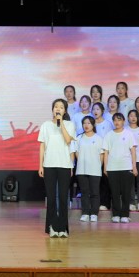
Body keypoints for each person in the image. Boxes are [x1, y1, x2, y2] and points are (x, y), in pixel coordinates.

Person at [38, 98, 75, 238]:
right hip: (49, 165)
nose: (58, 109)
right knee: (51, 197)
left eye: (61, 107)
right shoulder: (46, 125)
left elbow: (68, 140)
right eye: (56, 107)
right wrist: (40, 165)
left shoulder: (70, 124)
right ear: (52, 109)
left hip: (64, 165)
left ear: (65, 111)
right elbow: (42, 146)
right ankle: (52, 227)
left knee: (63, 197)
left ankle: (63, 228)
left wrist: (61, 124)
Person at [102, 113, 137, 223]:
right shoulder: (109, 135)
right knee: (115, 193)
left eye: (119, 120)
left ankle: (125, 215)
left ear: (123, 121)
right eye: (115, 120)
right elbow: (106, 152)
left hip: (126, 167)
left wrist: (134, 166)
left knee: (126, 193)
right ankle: (116, 214)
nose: (117, 122)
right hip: (112, 168)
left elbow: (133, 151)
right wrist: (105, 167)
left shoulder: (129, 134)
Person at [75, 116, 103, 222]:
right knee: (84, 192)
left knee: (95, 192)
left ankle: (94, 213)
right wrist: (82, 162)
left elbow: (101, 154)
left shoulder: (98, 138)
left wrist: (98, 166)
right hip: (82, 169)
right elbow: (76, 152)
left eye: (89, 123)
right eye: (84, 123)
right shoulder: (79, 138)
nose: (86, 125)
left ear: (93, 125)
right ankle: (85, 213)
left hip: (95, 170)